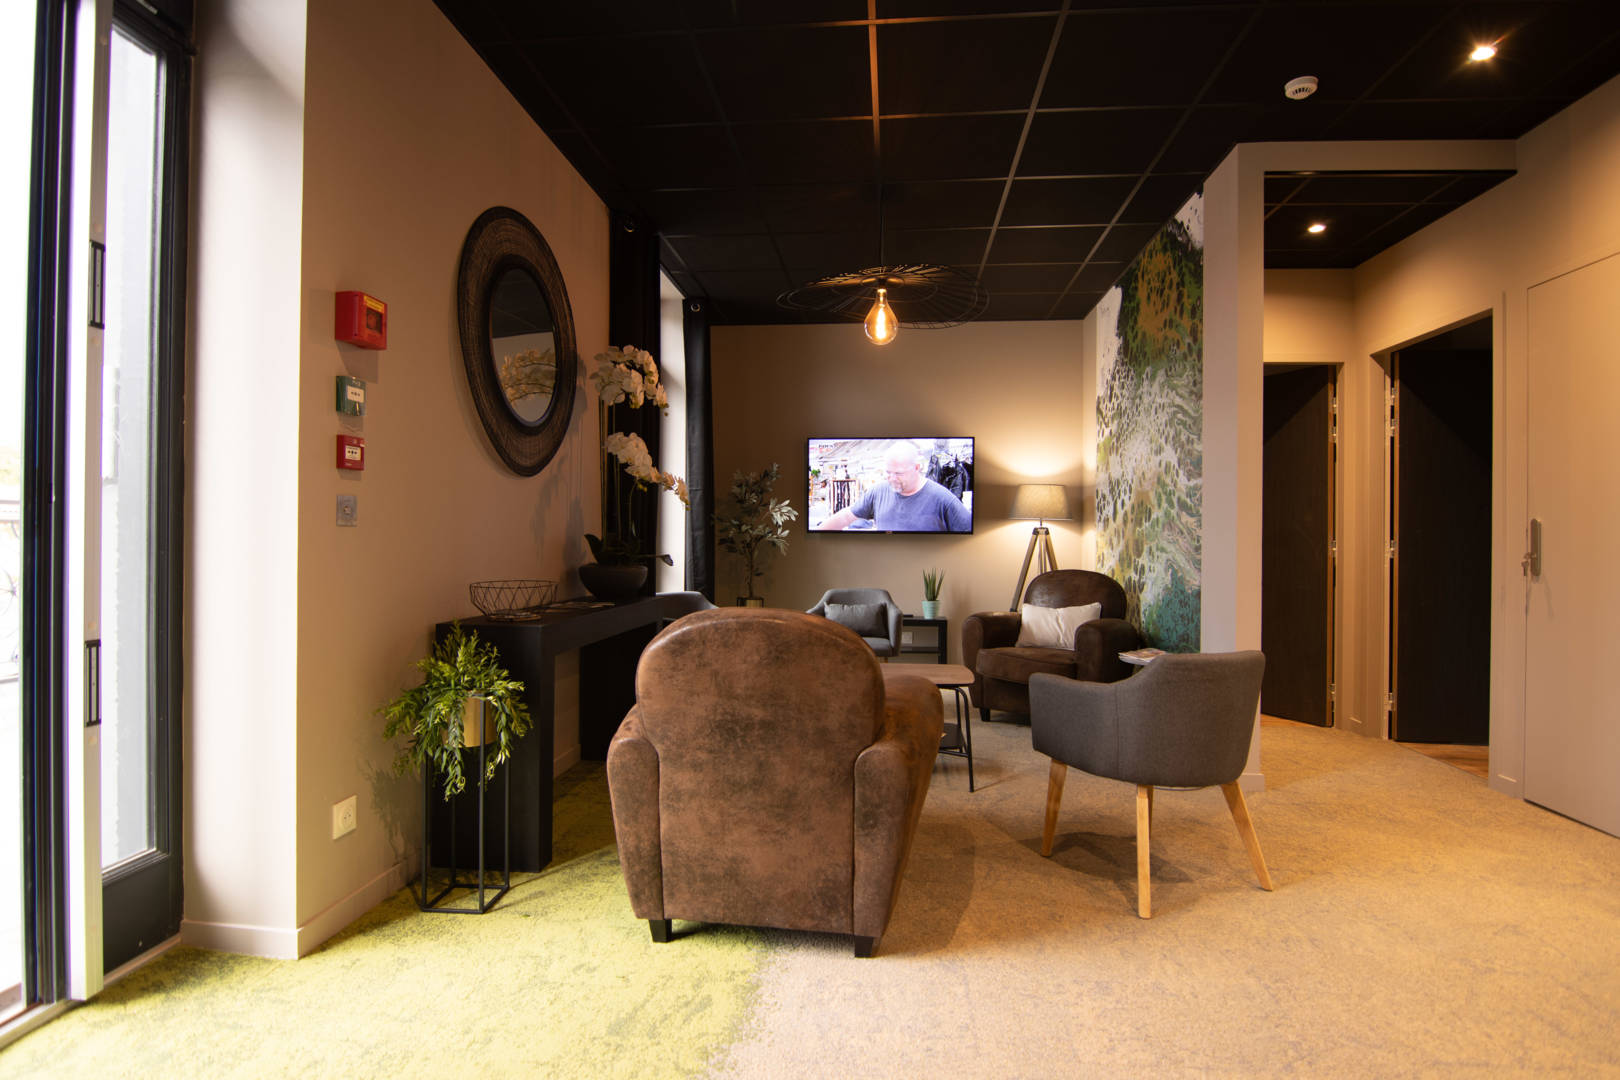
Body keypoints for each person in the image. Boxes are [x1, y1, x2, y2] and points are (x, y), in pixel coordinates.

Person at [817, 440, 972, 533]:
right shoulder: (878, 491)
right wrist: (814, 535)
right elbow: (846, 516)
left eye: (898, 473)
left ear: (917, 468)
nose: (892, 478)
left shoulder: (943, 499)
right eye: (888, 472)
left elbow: (969, 533)